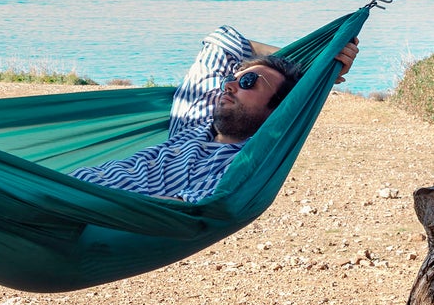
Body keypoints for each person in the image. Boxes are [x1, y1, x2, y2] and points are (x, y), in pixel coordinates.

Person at [70, 26, 359, 203]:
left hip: (73, 210)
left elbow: (184, 208)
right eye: (231, 80)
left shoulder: (244, 165)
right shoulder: (193, 121)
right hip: (60, 186)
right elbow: (222, 41)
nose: (230, 85)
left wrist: (318, 77)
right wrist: (311, 64)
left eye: (248, 82)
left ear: (278, 107)